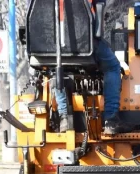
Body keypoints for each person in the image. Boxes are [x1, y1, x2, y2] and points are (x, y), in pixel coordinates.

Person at [52, 0, 133, 135]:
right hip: (84, 42)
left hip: (52, 46)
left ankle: (64, 118)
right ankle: (111, 120)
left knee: (56, 70)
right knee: (113, 67)